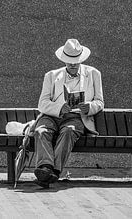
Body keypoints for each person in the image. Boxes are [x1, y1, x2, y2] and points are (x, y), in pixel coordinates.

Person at [33, 38, 104, 188]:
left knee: (69, 131)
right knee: (41, 131)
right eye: (69, 61)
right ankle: (46, 168)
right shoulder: (51, 76)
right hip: (52, 116)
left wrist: (89, 107)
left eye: (75, 61)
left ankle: (53, 171)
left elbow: (99, 101)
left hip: (77, 117)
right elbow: (42, 104)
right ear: (63, 60)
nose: (72, 64)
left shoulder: (93, 74)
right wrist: (59, 108)